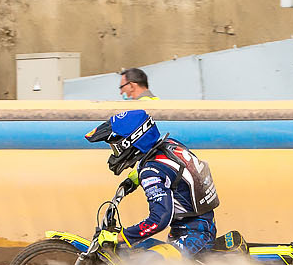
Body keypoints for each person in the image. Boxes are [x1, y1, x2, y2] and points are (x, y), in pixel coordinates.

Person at [85, 108, 219, 255]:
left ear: (130, 142)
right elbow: (173, 173)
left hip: (194, 236)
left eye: (116, 149)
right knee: (135, 251)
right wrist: (135, 178)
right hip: (197, 227)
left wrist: (121, 237)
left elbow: (159, 220)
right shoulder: (169, 145)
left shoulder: (151, 172)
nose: (115, 155)